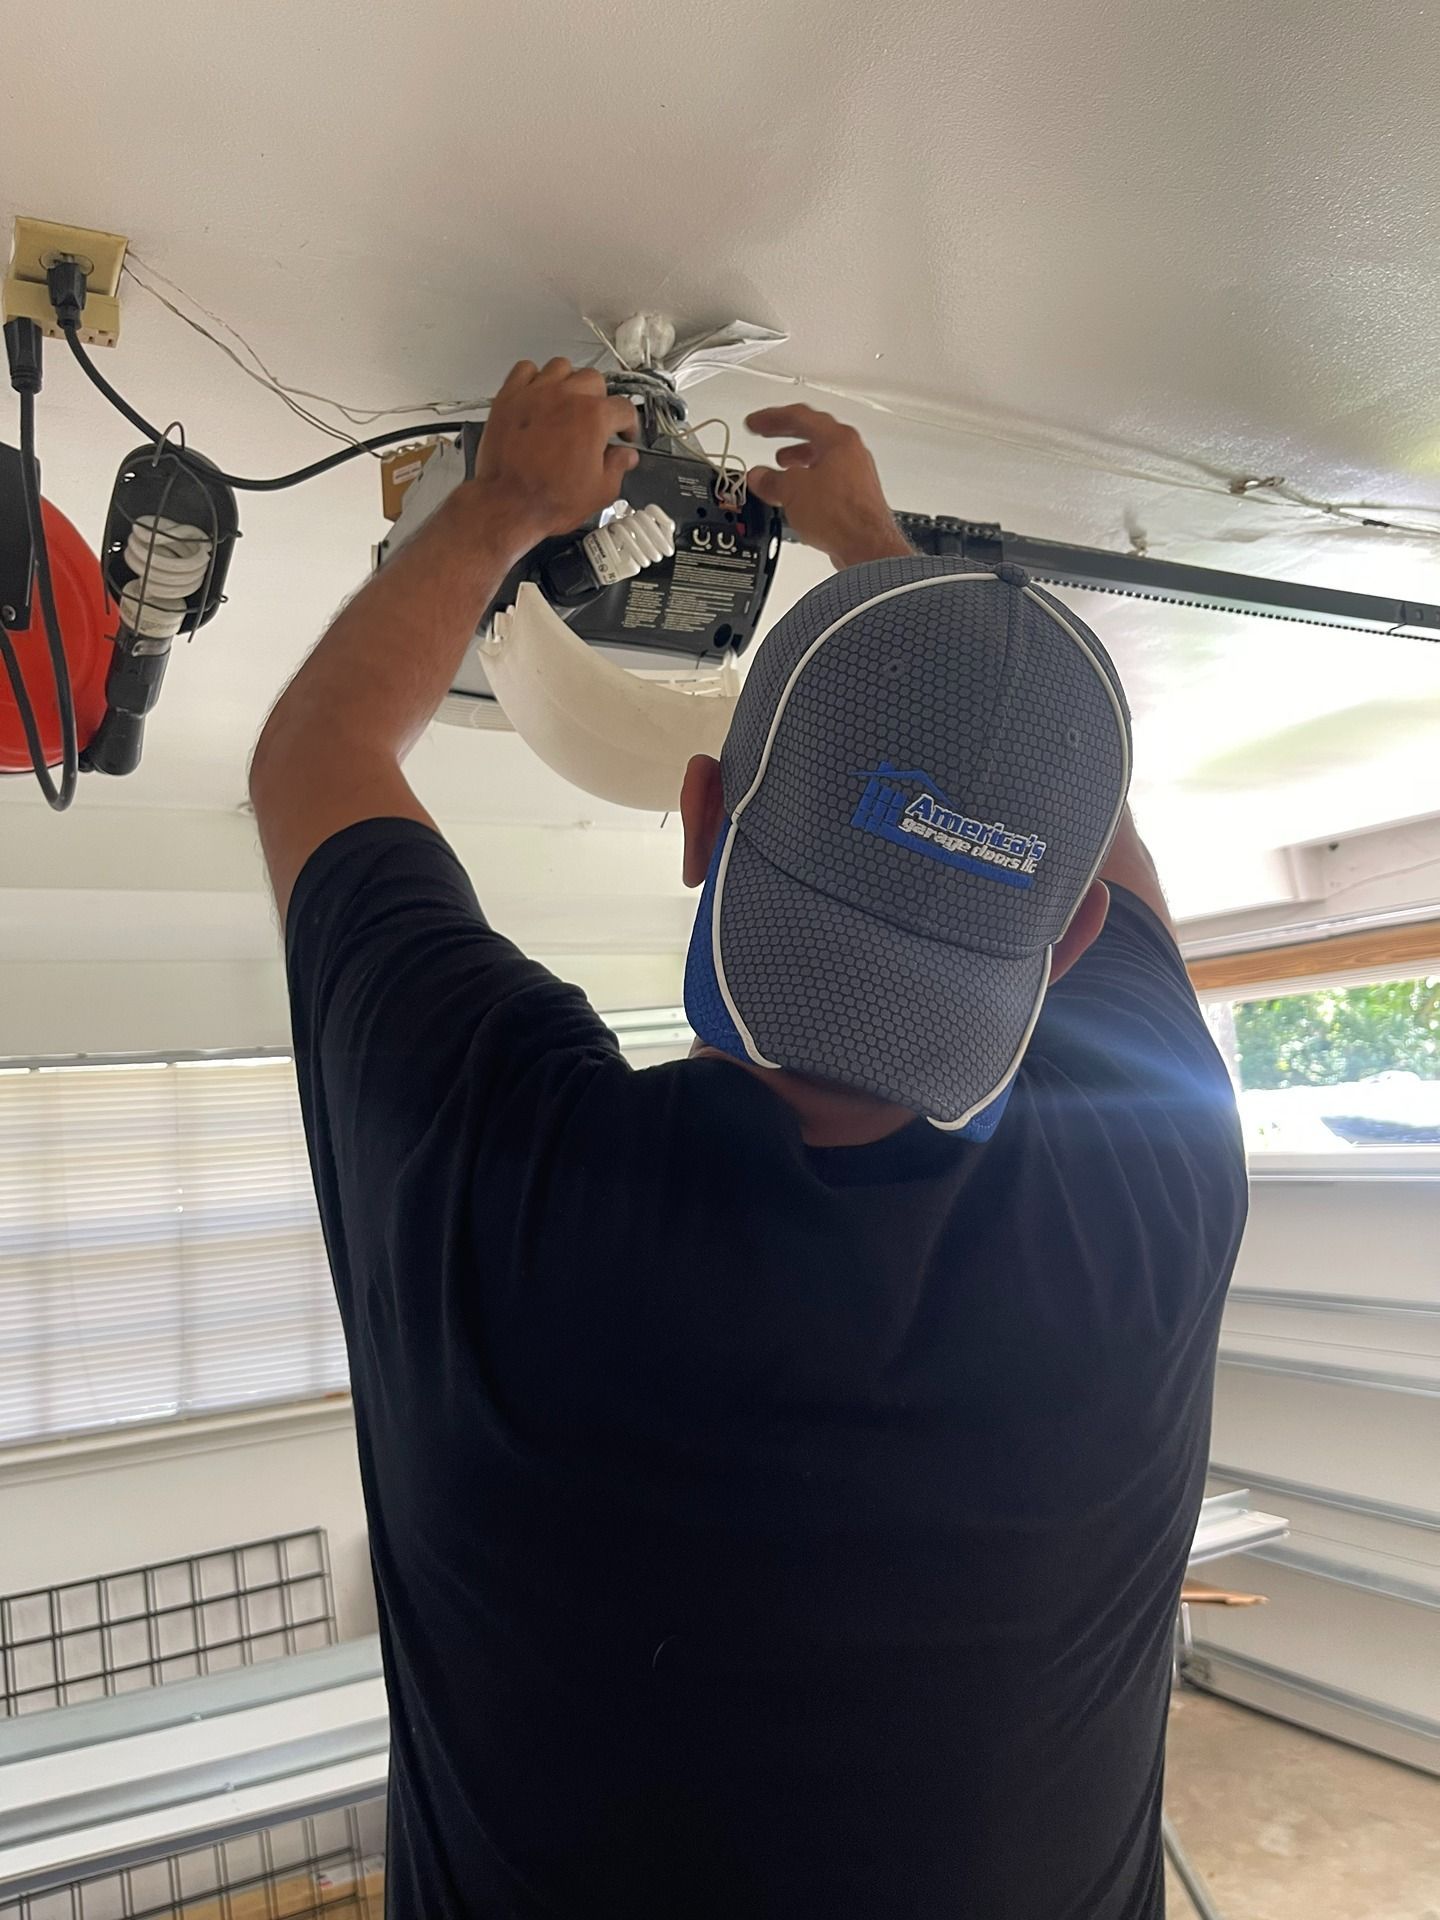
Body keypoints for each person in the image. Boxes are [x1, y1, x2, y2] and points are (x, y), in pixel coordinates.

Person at [250, 357, 1248, 1920]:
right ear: (1061, 953)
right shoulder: (1157, 1185)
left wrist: (518, 501)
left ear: (702, 821)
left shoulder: (515, 1172)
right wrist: (514, 511)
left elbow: (316, 754)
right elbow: (317, 766)